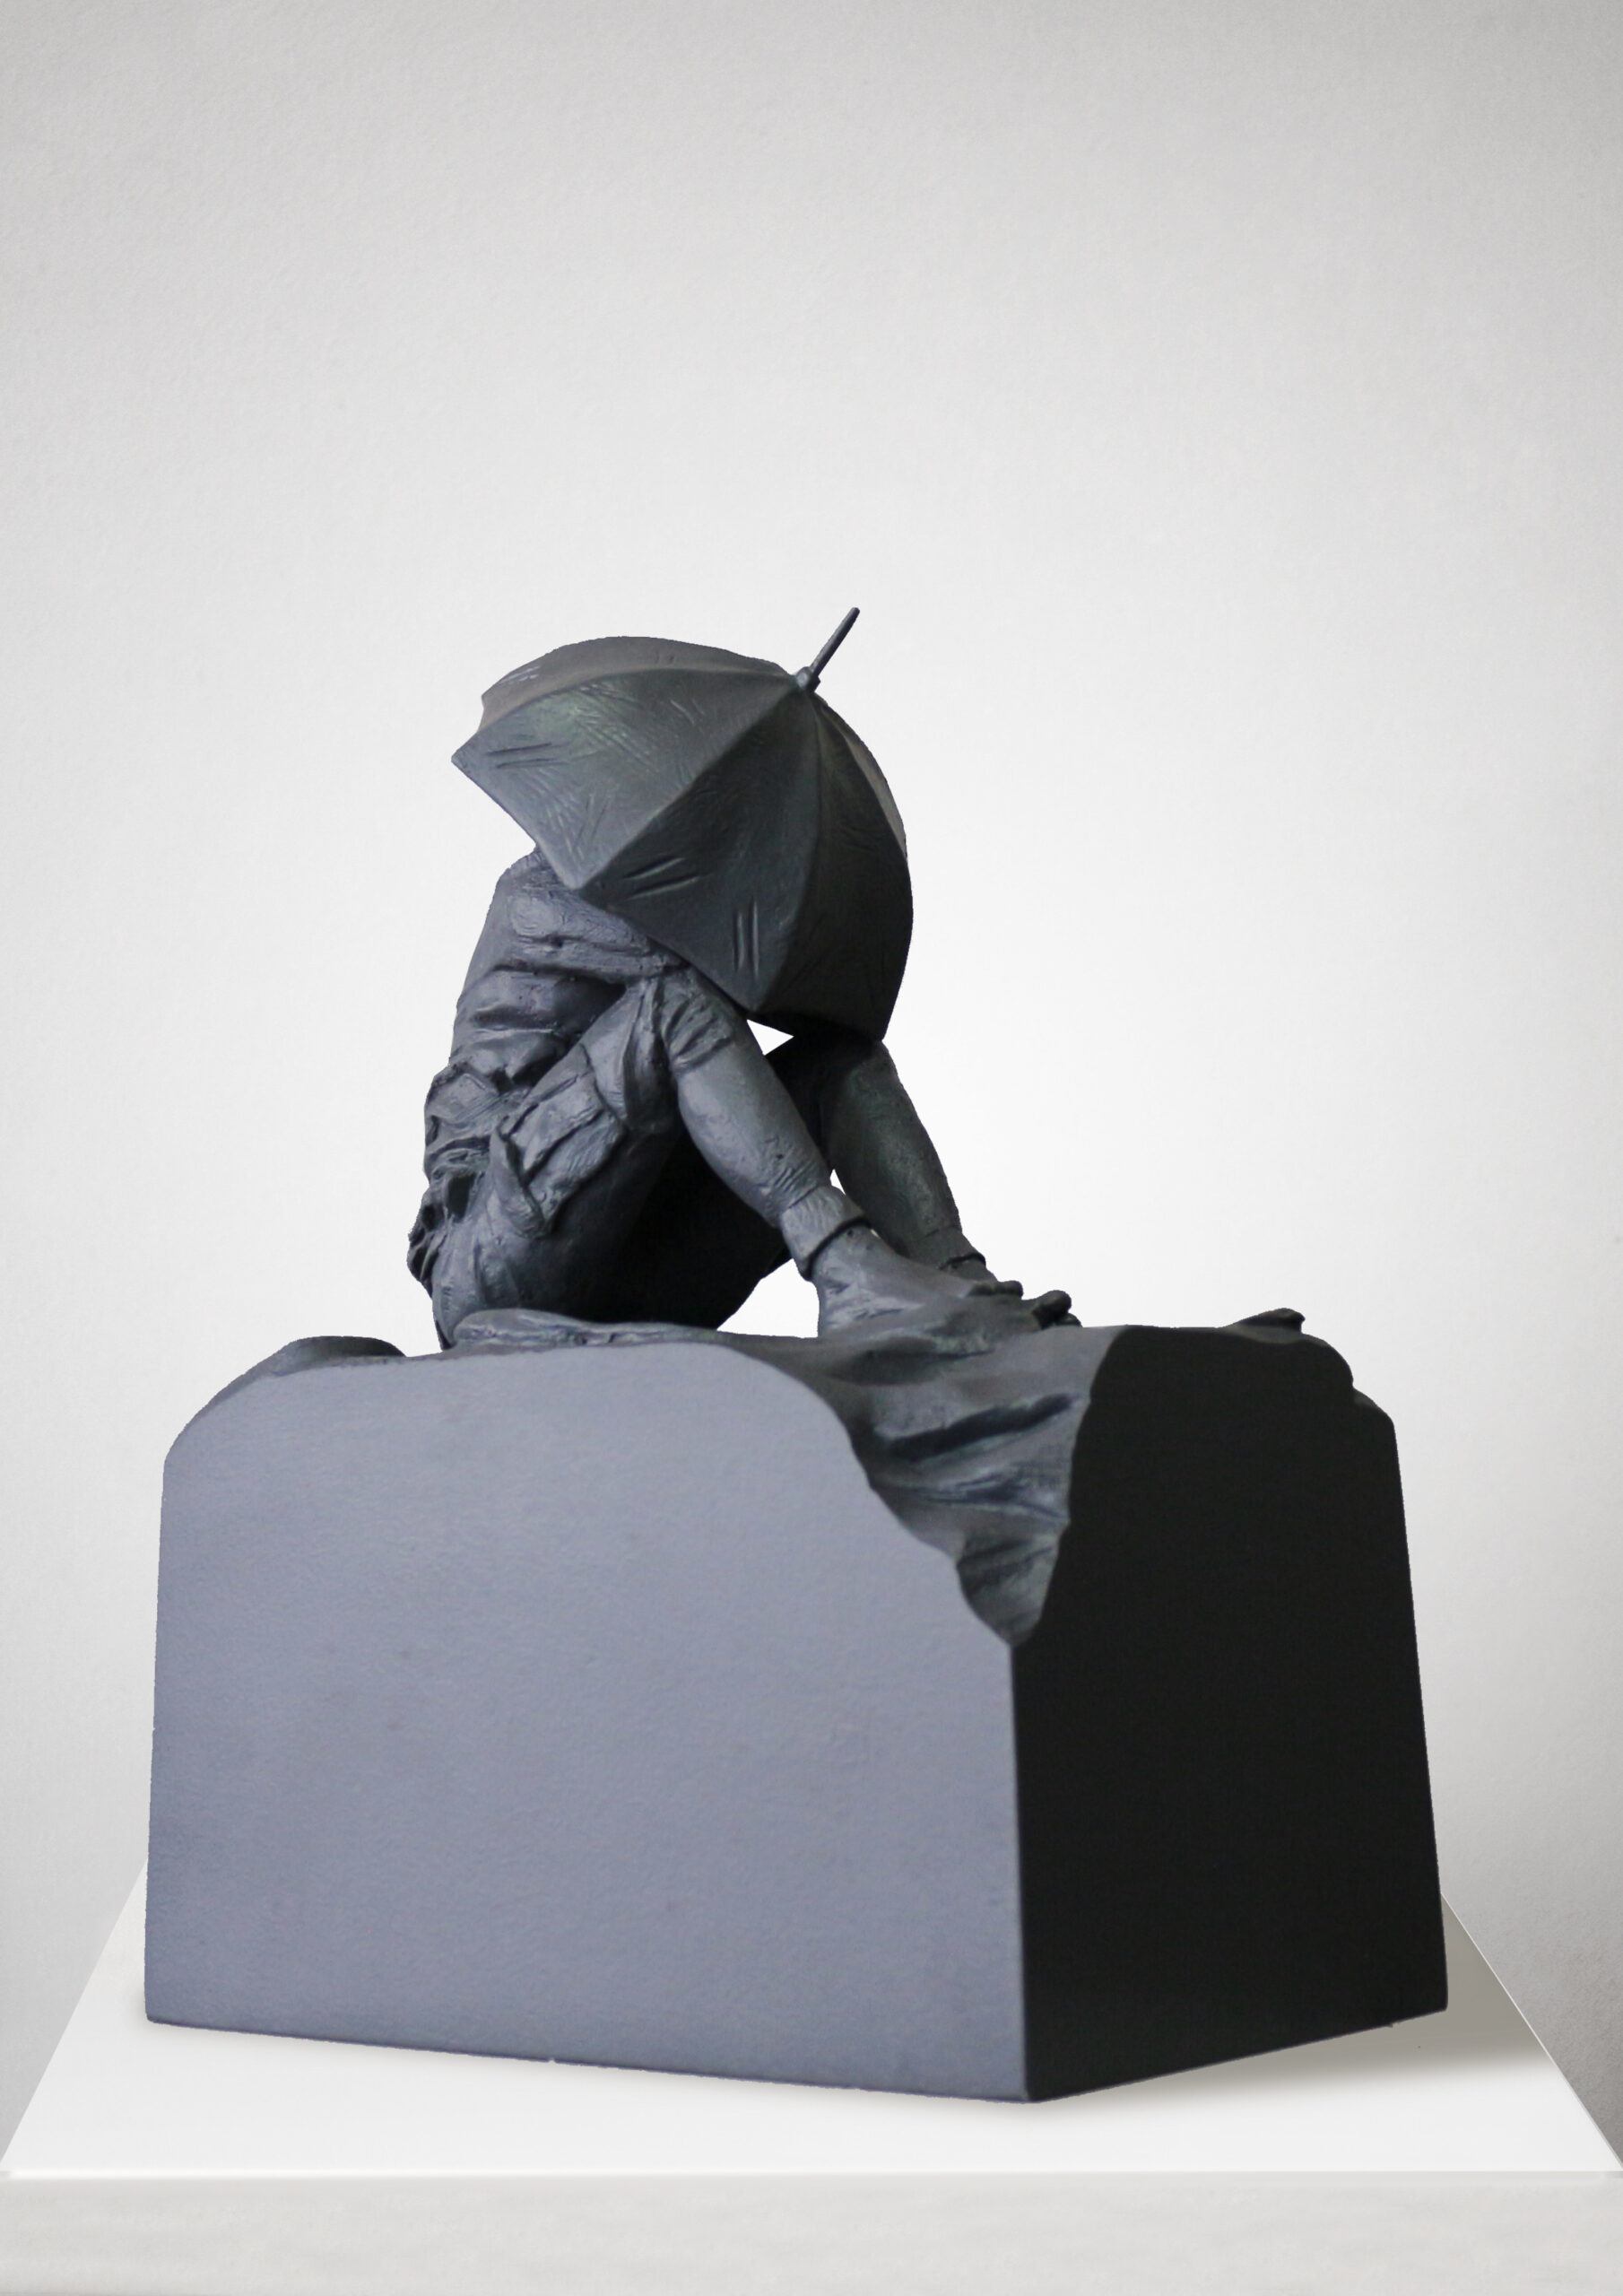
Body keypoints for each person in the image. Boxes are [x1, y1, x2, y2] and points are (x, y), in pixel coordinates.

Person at [409, 848, 1064, 1345]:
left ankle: (954, 1281)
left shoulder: (665, 894)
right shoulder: (541, 891)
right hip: (494, 1264)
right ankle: (845, 1268)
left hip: (641, 1260)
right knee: (676, 1005)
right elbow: (724, 974)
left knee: (841, 1063)